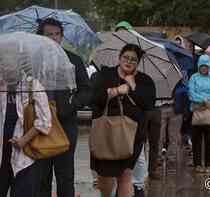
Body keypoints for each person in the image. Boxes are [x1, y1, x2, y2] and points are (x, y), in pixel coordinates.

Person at [91, 44, 156, 197]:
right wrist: (114, 91)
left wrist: (133, 86)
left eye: (133, 60)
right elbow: (94, 99)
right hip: (106, 133)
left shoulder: (144, 80)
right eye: (126, 57)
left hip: (132, 135)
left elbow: (148, 104)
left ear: (138, 63)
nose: (129, 61)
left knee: (126, 175)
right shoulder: (106, 74)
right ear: (119, 57)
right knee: (105, 176)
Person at [36, 18, 91, 197]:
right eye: (49, 34)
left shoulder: (73, 60)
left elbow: (86, 91)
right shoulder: (33, 61)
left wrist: (70, 105)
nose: (53, 38)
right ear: (41, 36)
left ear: (62, 36)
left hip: (66, 124)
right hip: (39, 125)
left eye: (57, 34)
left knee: (65, 175)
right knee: (41, 176)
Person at [0, 78, 51, 197]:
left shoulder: (33, 86)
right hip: (2, 155)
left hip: (24, 157)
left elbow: (45, 121)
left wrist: (24, 140)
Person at [188, 54, 210, 174]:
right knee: (196, 140)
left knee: (209, 140)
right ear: (198, 66)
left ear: (209, 66)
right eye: (202, 66)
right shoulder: (194, 78)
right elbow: (191, 93)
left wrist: (206, 100)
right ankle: (197, 164)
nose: (204, 68)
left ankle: (209, 164)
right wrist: (203, 100)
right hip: (196, 112)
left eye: (206, 66)